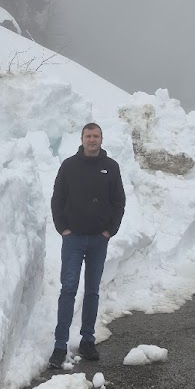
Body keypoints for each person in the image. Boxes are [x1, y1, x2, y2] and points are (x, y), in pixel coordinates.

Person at [49, 122, 126, 368]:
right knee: (68, 289)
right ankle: (60, 345)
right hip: (73, 239)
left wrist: (109, 230)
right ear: (81, 138)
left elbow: (118, 202)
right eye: (88, 136)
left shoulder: (111, 167)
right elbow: (57, 198)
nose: (92, 140)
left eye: (96, 136)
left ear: (101, 139)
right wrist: (63, 228)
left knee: (92, 291)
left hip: (97, 240)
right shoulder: (69, 166)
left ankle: (87, 340)